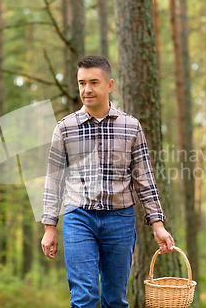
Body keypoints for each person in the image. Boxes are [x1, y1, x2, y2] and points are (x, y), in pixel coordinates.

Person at [41, 55, 174, 308]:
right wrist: (49, 226)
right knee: (84, 297)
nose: (87, 89)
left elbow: (144, 178)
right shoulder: (65, 128)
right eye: (81, 83)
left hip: (120, 220)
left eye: (94, 82)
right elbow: (53, 180)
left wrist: (157, 224)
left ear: (109, 85)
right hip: (78, 218)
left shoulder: (131, 127)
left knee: (115, 299)